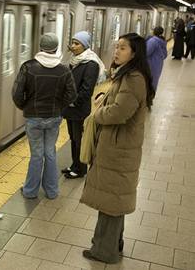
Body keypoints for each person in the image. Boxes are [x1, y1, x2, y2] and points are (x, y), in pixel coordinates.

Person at [80, 33, 155, 264]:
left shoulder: (133, 78)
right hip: (119, 147)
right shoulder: (130, 75)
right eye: (117, 47)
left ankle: (104, 251)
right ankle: (113, 245)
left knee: (110, 203)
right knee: (114, 201)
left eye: (122, 48)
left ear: (134, 53)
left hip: (118, 149)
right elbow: (121, 104)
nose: (116, 51)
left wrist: (97, 112)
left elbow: (118, 113)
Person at [13, 32, 77, 199]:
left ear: (41, 47)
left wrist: (25, 107)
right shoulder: (64, 70)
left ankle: (30, 191)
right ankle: (52, 191)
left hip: (33, 118)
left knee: (36, 155)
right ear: (56, 49)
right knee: (50, 153)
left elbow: (17, 94)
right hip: (54, 118)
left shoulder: (28, 67)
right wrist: (59, 107)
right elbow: (72, 94)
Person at [61, 31, 105, 179]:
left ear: (85, 46)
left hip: (79, 108)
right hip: (70, 108)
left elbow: (87, 89)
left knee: (79, 139)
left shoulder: (91, 64)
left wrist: (73, 101)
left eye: (77, 43)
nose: (73, 46)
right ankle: (74, 164)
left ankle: (80, 169)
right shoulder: (75, 60)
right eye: (72, 43)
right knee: (72, 138)